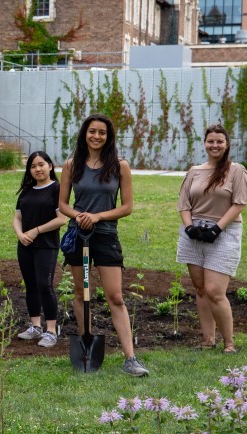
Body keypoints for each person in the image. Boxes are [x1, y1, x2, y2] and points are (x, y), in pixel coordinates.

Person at [58, 113, 150, 377]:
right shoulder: (71, 164)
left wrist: (97, 216)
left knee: (116, 297)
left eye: (102, 133)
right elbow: (63, 204)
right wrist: (80, 216)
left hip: (106, 235)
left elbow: (127, 207)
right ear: (84, 134)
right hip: (78, 235)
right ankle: (86, 348)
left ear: (108, 137)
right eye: (92, 131)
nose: (96, 136)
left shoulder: (119, 166)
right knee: (81, 294)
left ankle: (130, 358)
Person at [176, 124, 247, 353]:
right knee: (200, 289)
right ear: (205, 143)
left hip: (223, 233)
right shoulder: (194, 171)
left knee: (214, 290)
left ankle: (229, 343)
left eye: (220, 141)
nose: (215, 145)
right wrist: (189, 228)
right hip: (194, 234)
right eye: (211, 141)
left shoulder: (236, 171)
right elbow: (183, 204)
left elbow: (240, 203)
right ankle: (208, 340)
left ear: (227, 144)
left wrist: (217, 229)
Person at [13, 151, 66, 347]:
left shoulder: (57, 189)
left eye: (41, 164)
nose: (37, 169)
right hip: (25, 244)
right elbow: (17, 218)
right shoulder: (26, 190)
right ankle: (35, 327)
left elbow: (62, 219)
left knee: (45, 285)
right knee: (31, 285)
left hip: (46, 245)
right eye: (33, 166)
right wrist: (20, 234)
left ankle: (51, 330)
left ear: (50, 166)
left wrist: (36, 231)